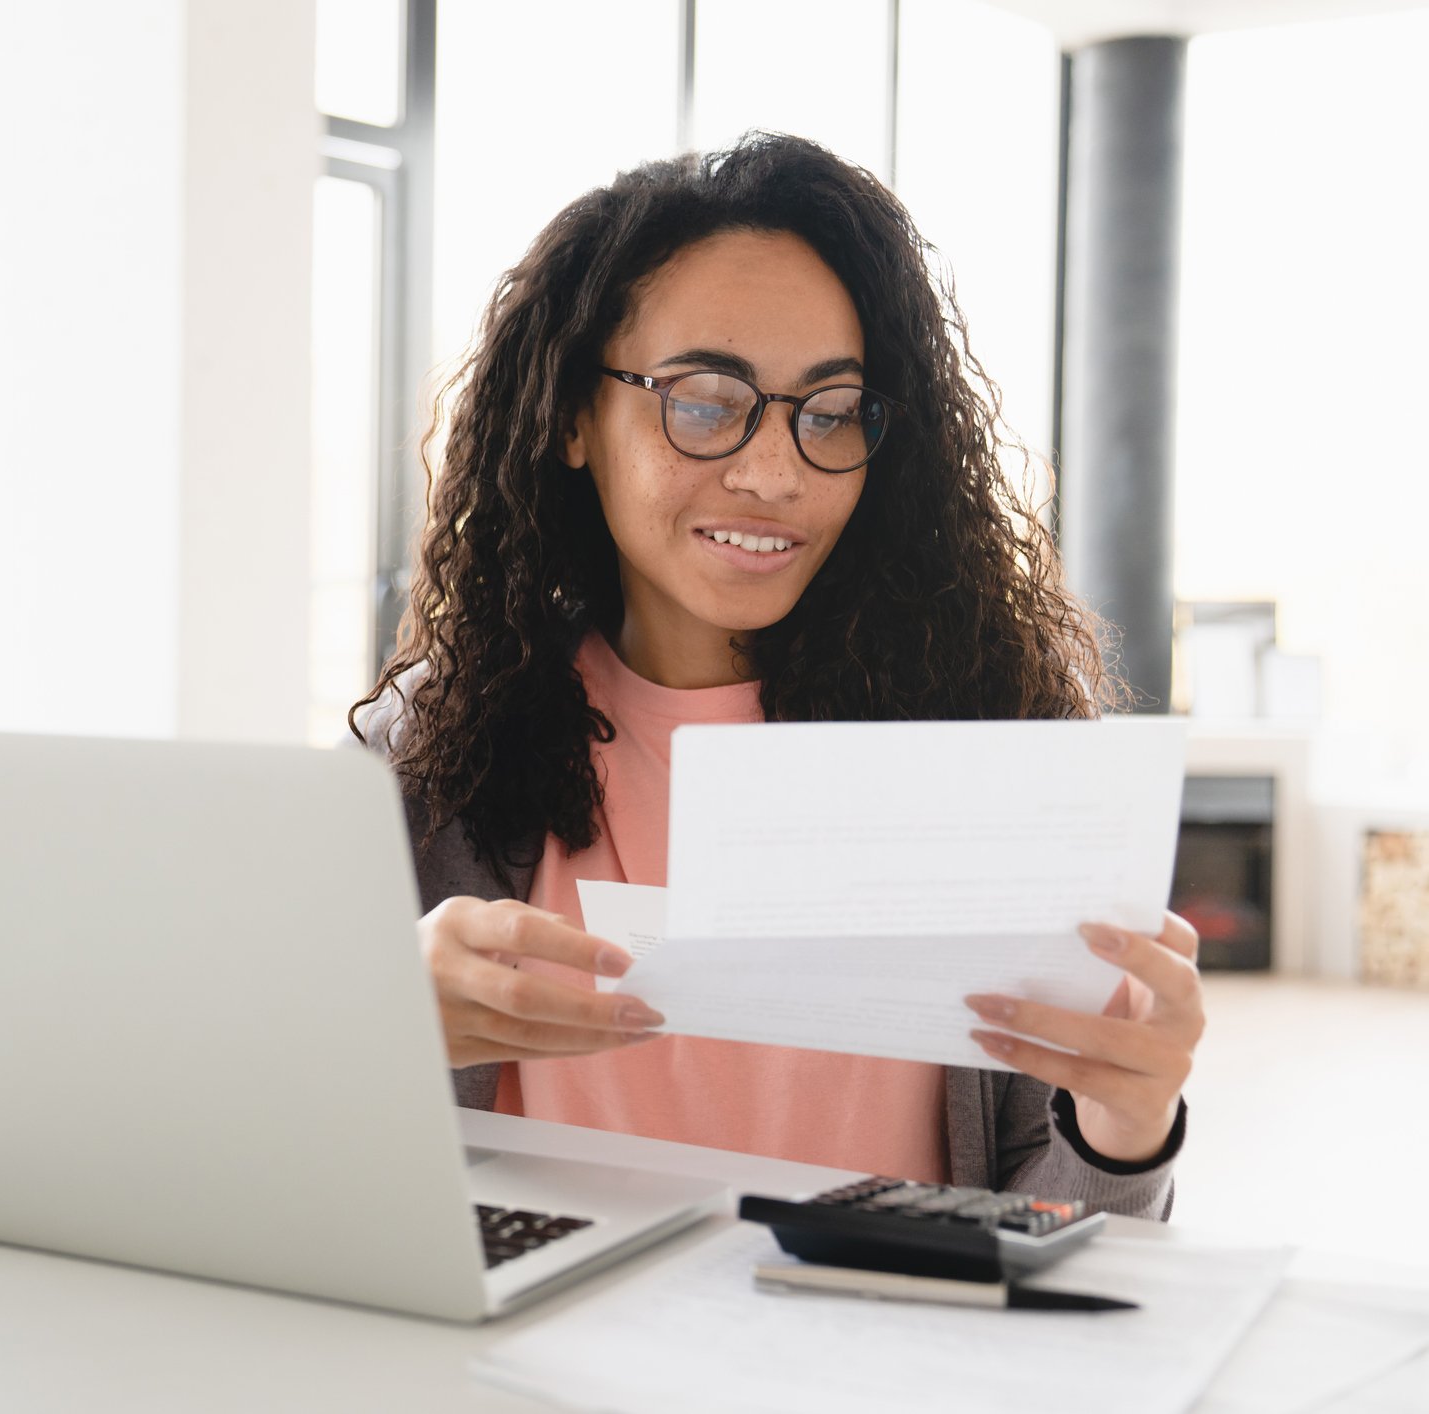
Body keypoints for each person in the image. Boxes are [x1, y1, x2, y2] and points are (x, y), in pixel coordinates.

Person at [352, 133, 1201, 1218]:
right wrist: (368, 1019)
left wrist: (1125, 1127)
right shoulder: (427, 756)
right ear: (572, 415)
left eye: (829, 412)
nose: (772, 473)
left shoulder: (995, 749)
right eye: (705, 399)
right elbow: (273, 1167)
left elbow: (1055, 1226)